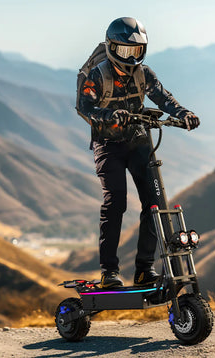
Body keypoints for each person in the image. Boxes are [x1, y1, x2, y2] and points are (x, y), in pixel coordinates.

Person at [78, 17, 199, 288]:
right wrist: (111, 115)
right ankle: (109, 271)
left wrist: (184, 114)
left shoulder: (145, 74)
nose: (131, 57)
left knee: (154, 204)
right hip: (108, 146)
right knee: (116, 203)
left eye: (136, 51)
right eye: (124, 51)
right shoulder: (97, 75)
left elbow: (163, 97)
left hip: (139, 141)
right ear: (111, 48)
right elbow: (85, 107)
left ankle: (144, 269)